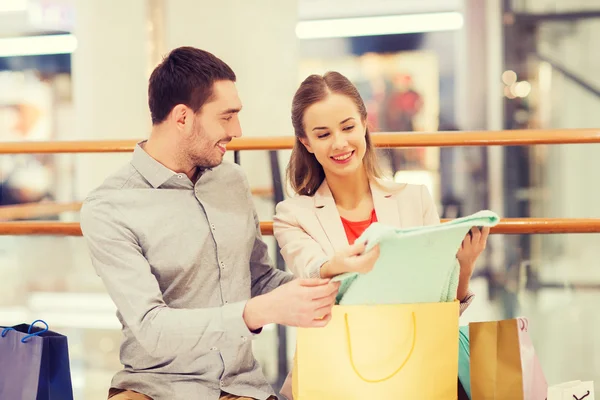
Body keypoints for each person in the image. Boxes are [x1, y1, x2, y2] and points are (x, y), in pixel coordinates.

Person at [79, 47, 350, 400]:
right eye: (227, 116)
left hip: (239, 388)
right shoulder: (108, 207)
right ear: (182, 118)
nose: (237, 130)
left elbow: (259, 278)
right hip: (152, 389)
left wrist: (335, 284)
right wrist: (257, 312)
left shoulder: (232, 181)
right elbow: (151, 327)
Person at [273, 72, 490, 399]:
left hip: (412, 367)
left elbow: (441, 312)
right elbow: (311, 271)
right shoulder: (292, 215)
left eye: (348, 127)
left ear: (364, 124)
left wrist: (464, 266)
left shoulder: (414, 199)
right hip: (337, 374)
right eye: (323, 134)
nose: (340, 143)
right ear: (306, 142)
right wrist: (337, 264)